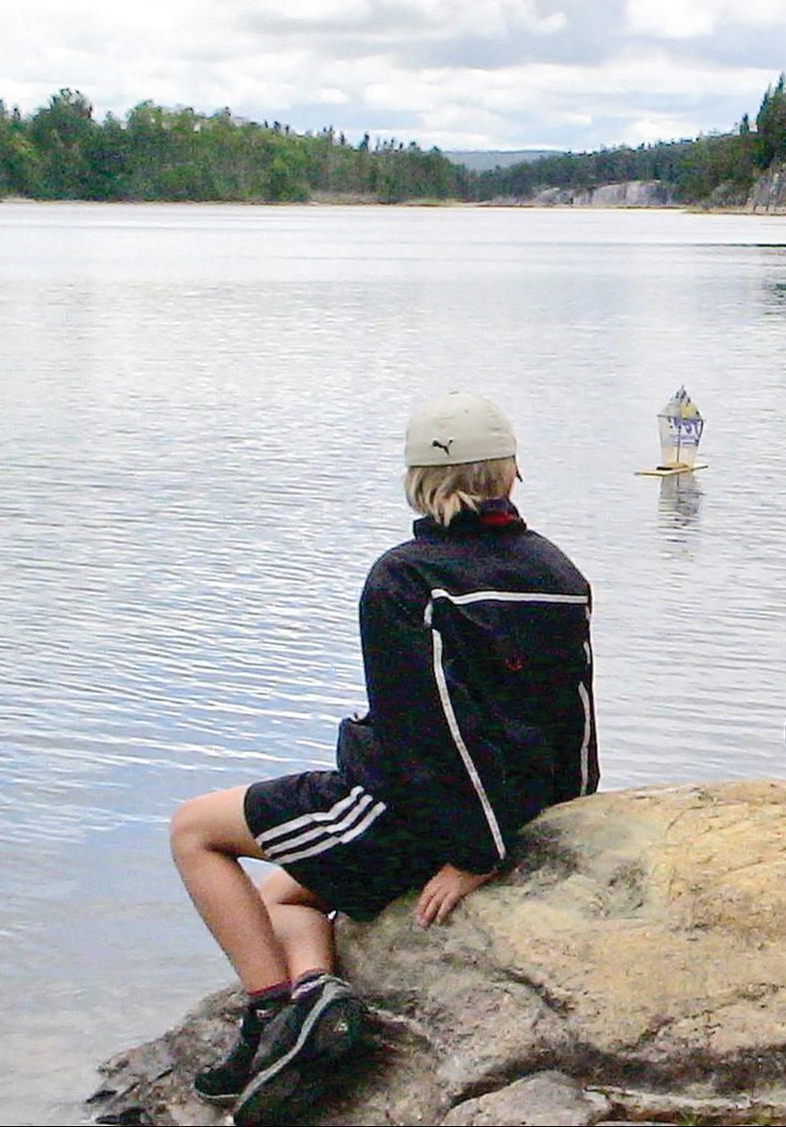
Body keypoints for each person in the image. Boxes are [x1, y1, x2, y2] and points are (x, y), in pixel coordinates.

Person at [168, 391, 597, 1126]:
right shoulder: (557, 571)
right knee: (285, 896)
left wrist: (478, 855)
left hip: (421, 815)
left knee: (194, 829)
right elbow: (576, 716)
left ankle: (267, 1018)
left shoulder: (407, 577)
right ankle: (314, 997)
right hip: (513, 805)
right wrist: (568, 813)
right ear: (510, 471)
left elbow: (430, 732)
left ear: (419, 482)